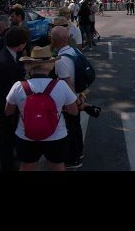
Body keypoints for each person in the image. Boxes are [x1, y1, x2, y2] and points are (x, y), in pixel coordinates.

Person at [4, 45, 78, 171]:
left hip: (26, 135)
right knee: (57, 167)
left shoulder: (18, 86)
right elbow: (74, 112)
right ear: (50, 65)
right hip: (56, 135)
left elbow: (8, 112)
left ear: (29, 65)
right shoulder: (61, 86)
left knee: (27, 167)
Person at [0, 26, 29, 171]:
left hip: (6, 102)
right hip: (5, 104)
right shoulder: (4, 62)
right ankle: (7, 164)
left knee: (2, 130)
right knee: (8, 136)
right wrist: (4, 108)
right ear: (20, 44)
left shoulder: (10, 55)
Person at [51, 25, 87, 169]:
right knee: (76, 127)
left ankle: (73, 159)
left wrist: (76, 102)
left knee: (70, 129)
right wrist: (82, 96)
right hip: (78, 95)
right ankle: (79, 152)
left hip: (70, 100)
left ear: (53, 40)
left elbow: (67, 84)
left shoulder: (60, 60)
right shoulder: (74, 51)